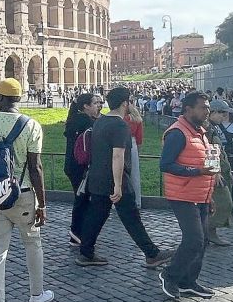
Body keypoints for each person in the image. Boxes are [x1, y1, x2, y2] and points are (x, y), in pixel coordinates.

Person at [0, 78, 54, 302]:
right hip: (24, 194)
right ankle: (36, 294)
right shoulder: (31, 126)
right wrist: (42, 203)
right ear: (18, 100)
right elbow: (36, 167)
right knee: (33, 244)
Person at [74, 87, 174, 268]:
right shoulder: (120, 125)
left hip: (97, 177)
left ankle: (86, 253)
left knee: (96, 215)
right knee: (131, 216)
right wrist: (118, 186)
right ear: (124, 103)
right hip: (114, 179)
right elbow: (118, 156)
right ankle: (152, 254)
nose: (131, 104)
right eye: (130, 101)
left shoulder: (101, 121)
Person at [159, 92, 219, 300]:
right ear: (188, 109)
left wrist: (209, 195)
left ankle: (188, 281)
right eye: (203, 107)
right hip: (183, 195)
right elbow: (166, 165)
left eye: (208, 107)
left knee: (201, 242)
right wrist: (197, 172)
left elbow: (205, 164)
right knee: (194, 240)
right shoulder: (177, 133)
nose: (207, 110)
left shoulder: (200, 132)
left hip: (201, 195)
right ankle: (170, 274)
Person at [64, 93, 103, 246]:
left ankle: (78, 234)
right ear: (86, 106)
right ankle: (77, 233)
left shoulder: (75, 119)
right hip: (80, 166)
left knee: (82, 199)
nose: (98, 106)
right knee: (83, 200)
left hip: (73, 165)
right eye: (95, 103)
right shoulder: (85, 121)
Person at [205, 100, 233, 247]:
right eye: (222, 113)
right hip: (213, 172)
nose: (225, 116)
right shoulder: (208, 128)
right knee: (223, 202)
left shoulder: (214, 127)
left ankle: (209, 232)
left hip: (219, 170)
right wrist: (215, 172)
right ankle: (210, 232)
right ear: (213, 112)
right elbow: (210, 151)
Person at [123, 98, 144, 208]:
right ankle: (137, 201)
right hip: (133, 144)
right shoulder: (137, 119)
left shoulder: (121, 118)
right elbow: (139, 139)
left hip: (120, 144)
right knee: (135, 174)